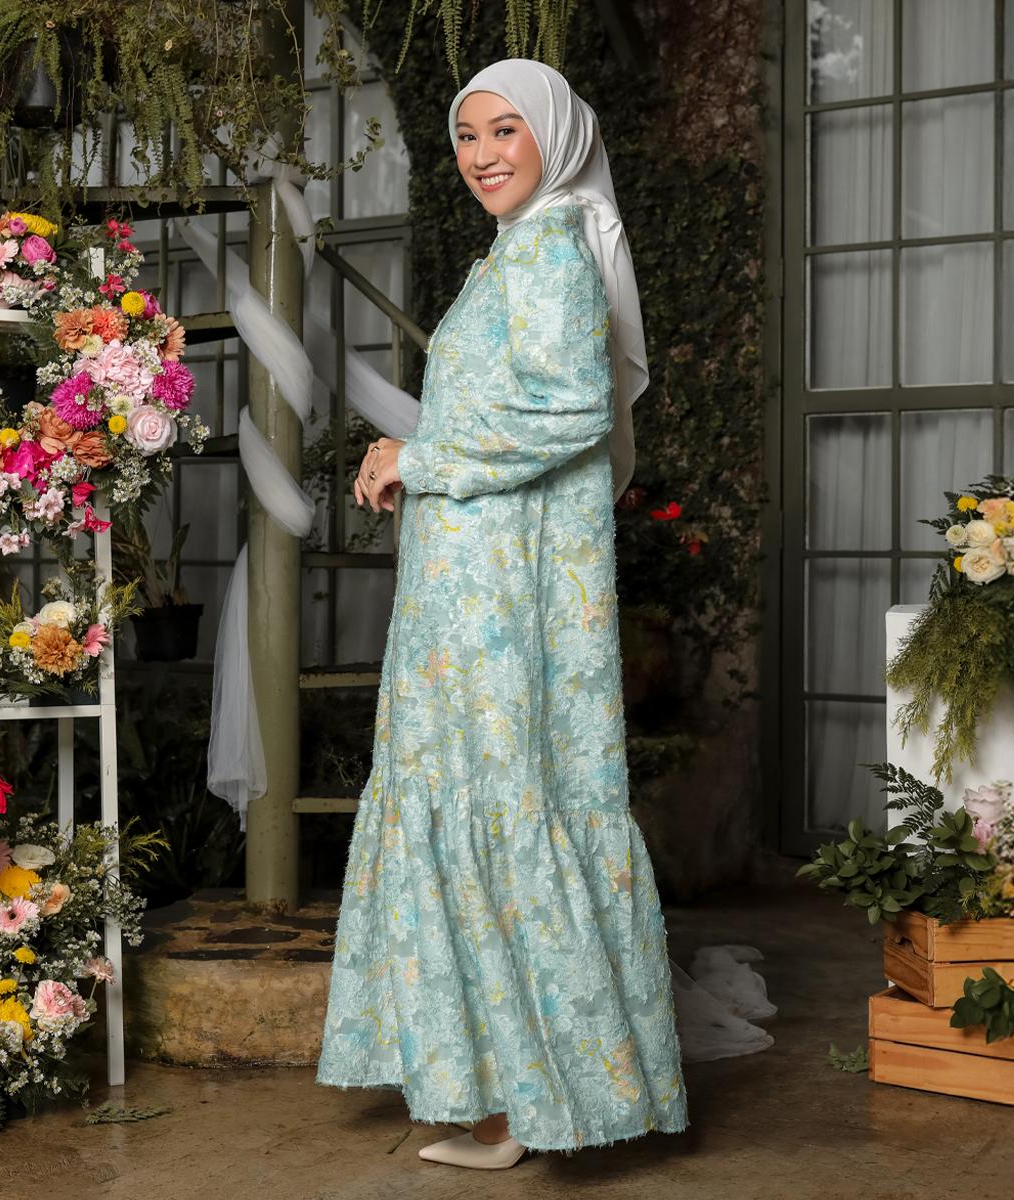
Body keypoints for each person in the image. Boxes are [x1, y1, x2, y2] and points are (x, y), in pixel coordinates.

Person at [314, 57, 689, 1168]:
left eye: (504, 130)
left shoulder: (552, 249)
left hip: (504, 599)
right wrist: (405, 457)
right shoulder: (513, 251)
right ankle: (504, 1097)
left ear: (556, 137)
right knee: (478, 798)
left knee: (505, 798)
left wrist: (421, 458)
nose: (481, 154)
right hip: (467, 587)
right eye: (467, 135)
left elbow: (570, 411)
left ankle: (534, 1103)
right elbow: (506, 411)